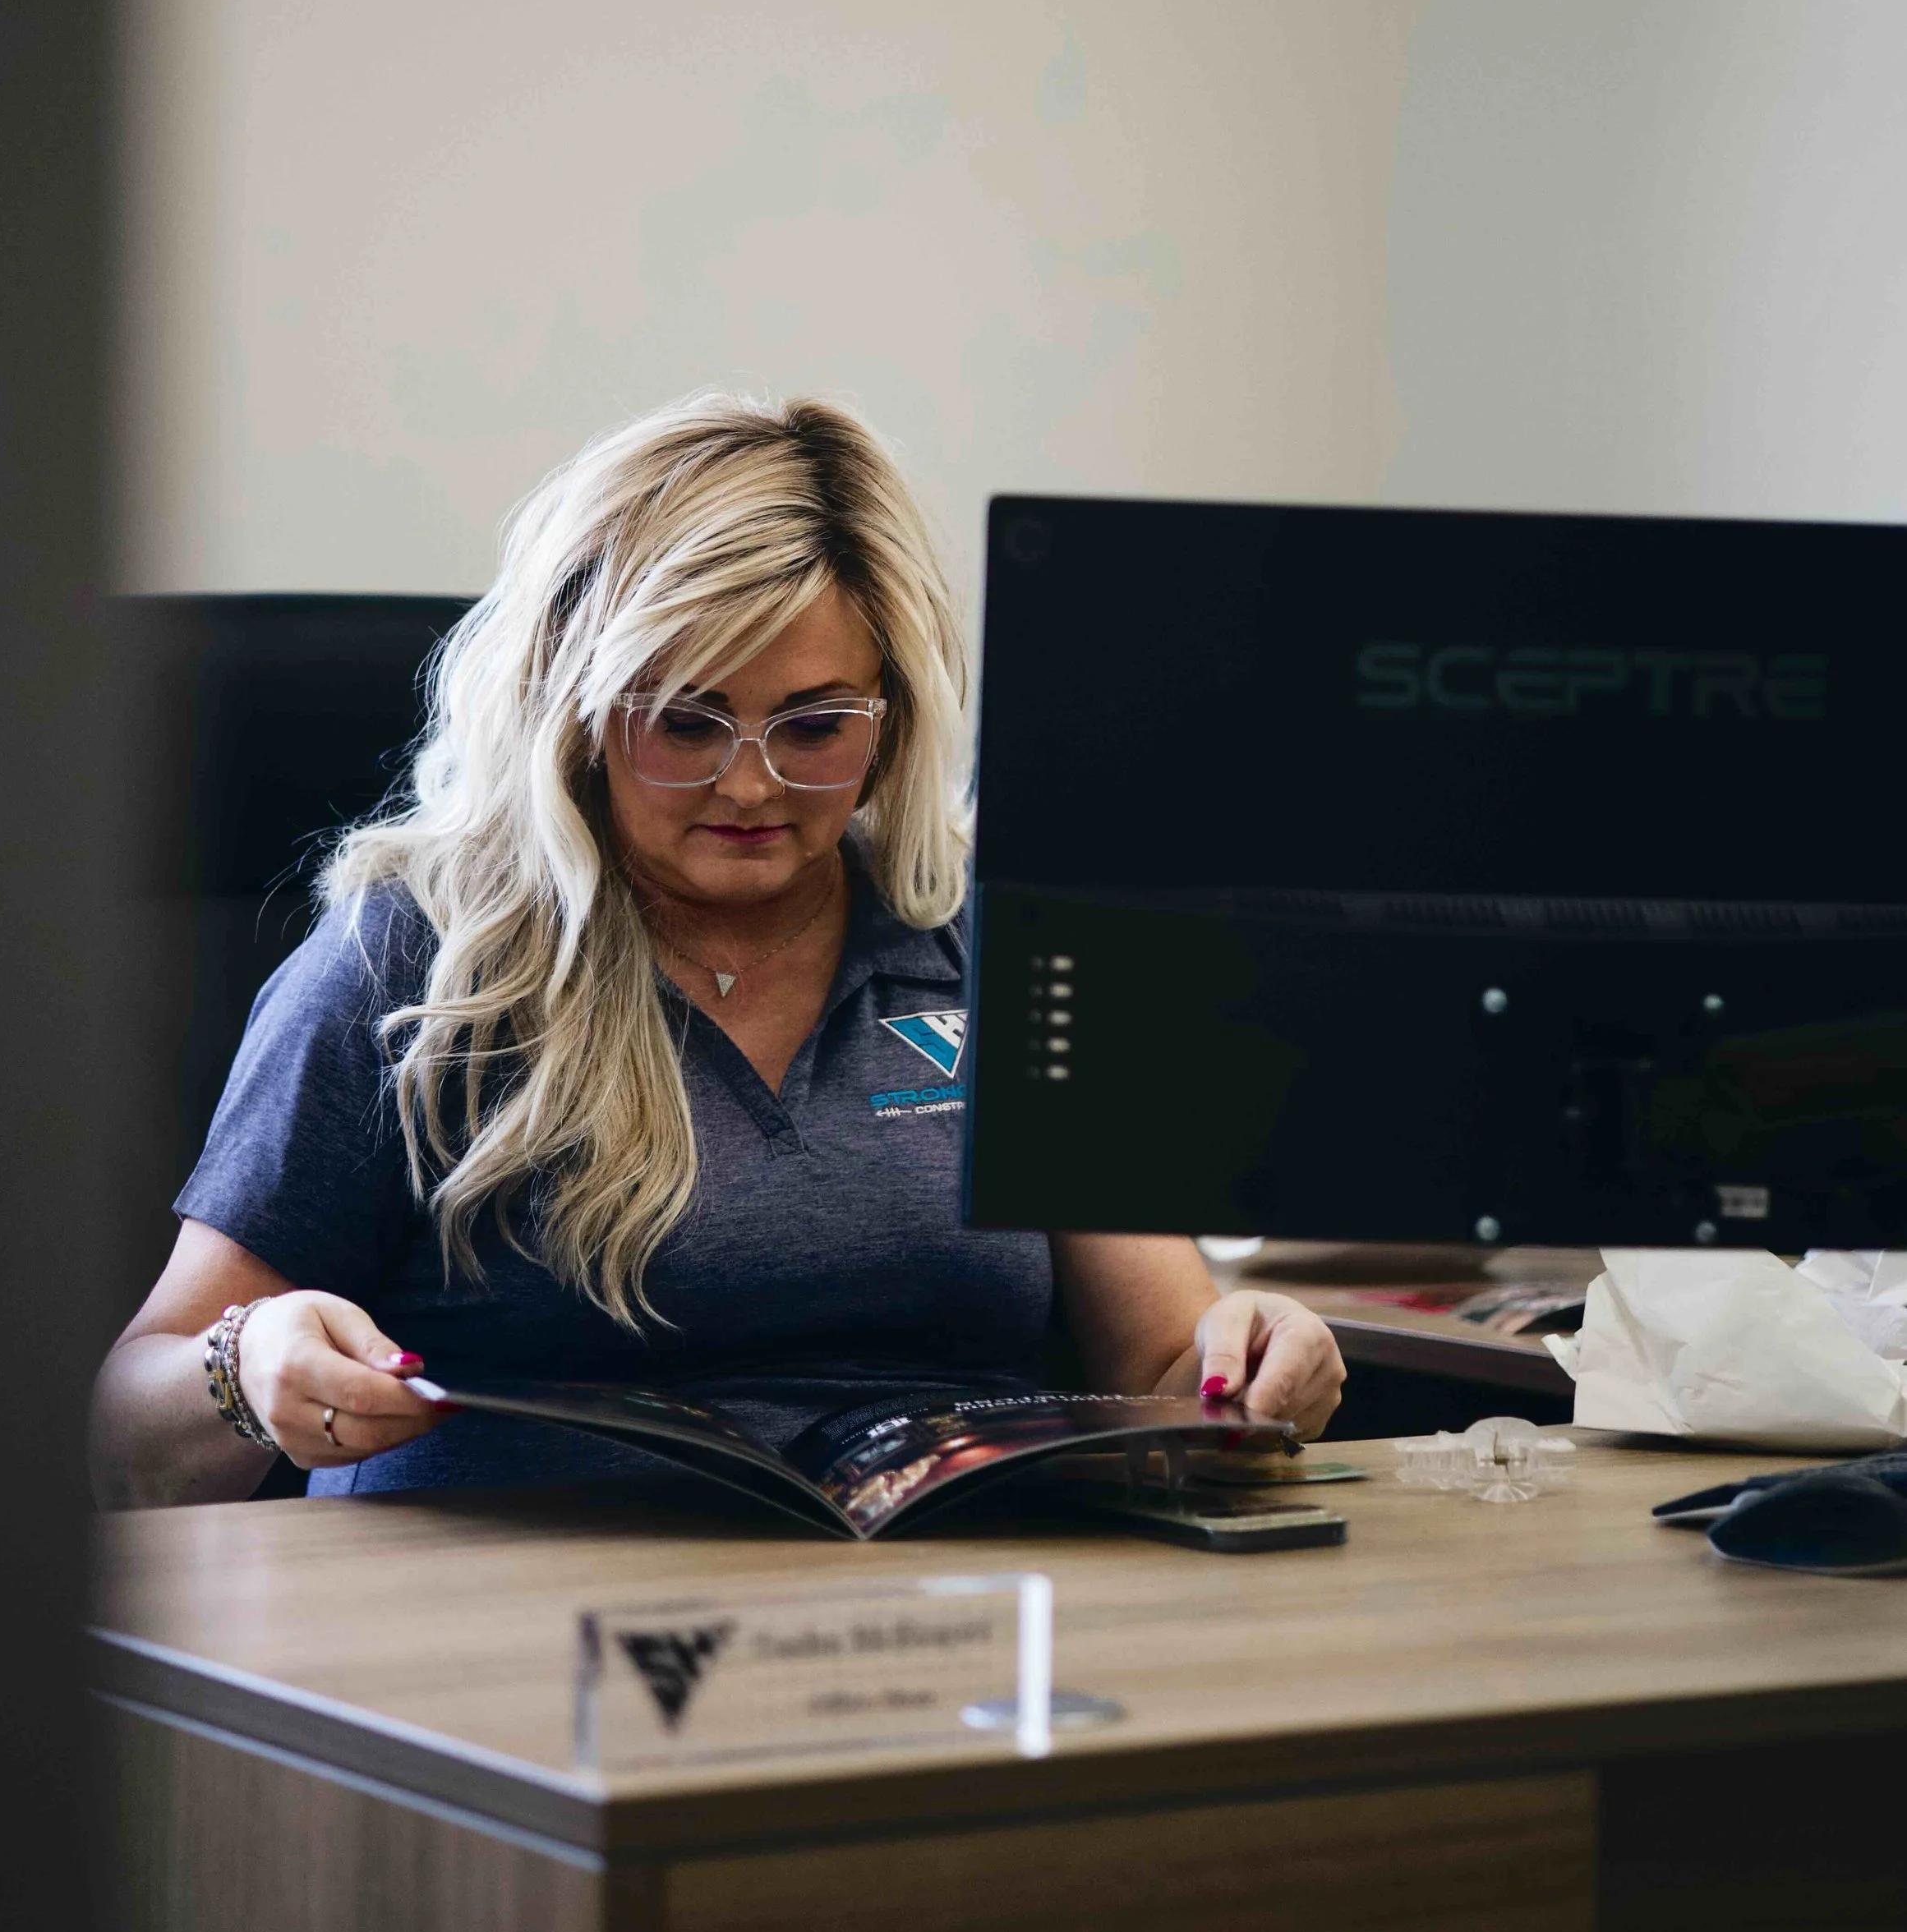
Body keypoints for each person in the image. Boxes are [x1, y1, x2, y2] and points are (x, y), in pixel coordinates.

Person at [91, 395, 1345, 1505]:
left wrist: (1261, 1353)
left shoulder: (991, 940)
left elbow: (1175, 1366)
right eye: (685, 722)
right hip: (499, 1650)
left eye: (814, 725)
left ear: (892, 719)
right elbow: (126, 1427)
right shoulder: (414, 961)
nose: (751, 784)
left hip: (926, 1627)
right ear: (573, 710)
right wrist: (243, 1368)